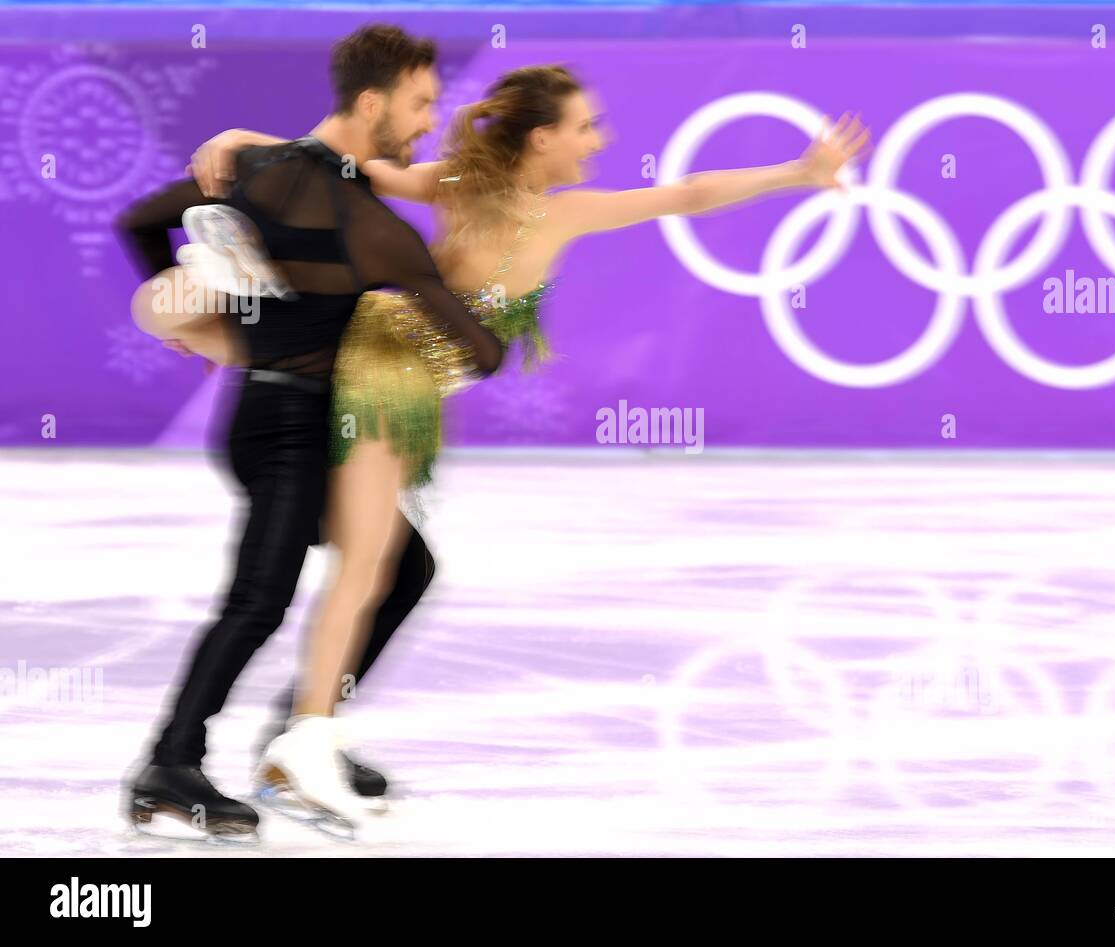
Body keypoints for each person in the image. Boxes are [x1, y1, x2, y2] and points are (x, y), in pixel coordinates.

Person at [159, 63, 870, 832]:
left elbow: (350, 165)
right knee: (363, 569)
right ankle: (298, 746)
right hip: (386, 376)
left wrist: (251, 140)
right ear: (542, 139)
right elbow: (684, 194)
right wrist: (798, 171)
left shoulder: (462, 184)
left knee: (388, 568)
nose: (601, 139)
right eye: (586, 126)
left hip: (398, 373)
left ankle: (303, 733)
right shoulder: (547, 210)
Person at [114, 23, 501, 841]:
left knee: (404, 567)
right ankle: (170, 760)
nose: (430, 119)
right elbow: (479, 351)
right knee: (260, 597)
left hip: (282, 416)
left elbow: (141, 224)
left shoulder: (257, 169)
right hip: (294, 427)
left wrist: (202, 324)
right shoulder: (371, 227)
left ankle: (304, 728)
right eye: (421, 102)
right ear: (373, 102)